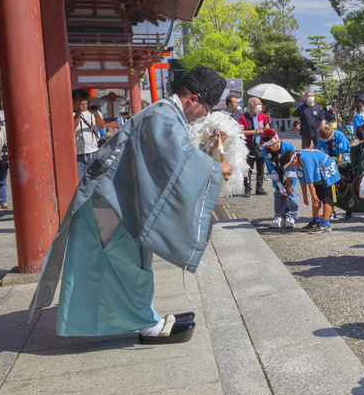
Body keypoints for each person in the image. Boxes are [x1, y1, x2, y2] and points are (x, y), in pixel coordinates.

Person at [29, 66, 231, 344]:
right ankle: (147, 324)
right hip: (110, 199)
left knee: (127, 260)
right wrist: (216, 168)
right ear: (193, 99)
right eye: (206, 107)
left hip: (117, 194)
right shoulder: (164, 116)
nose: (205, 114)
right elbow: (178, 162)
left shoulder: (164, 112)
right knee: (127, 263)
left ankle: (146, 315)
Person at [279, 148, 341, 235]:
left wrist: (313, 195)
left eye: (291, 166)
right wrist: (305, 195)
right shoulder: (298, 161)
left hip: (328, 170)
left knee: (327, 198)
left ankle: (325, 224)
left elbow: (310, 180)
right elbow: (302, 179)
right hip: (318, 171)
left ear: (295, 159)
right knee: (317, 198)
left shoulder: (306, 159)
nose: (292, 168)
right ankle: (315, 222)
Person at [259, 129, 300, 229]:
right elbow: (270, 168)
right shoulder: (265, 151)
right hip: (277, 170)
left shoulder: (287, 146)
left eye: (278, 142)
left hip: (289, 169)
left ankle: (291, 216)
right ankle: (279, 216)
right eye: (275, 144)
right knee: (278, 192)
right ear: (268, 146)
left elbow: (291, 165)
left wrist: (288, 181)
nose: (278, 145)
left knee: (291, 191)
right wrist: (279, 184)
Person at [239, 97, 269, 197]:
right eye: (257, 104)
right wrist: (255, 131)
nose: (259, 106)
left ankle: (259, 188)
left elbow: (267, 127)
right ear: (250, 106)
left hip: (260, 145)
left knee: (261, 168)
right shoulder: (243, 117)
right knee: (248, 168)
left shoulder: (263, 116)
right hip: (248, 146)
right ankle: (247, 189)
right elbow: (241, 132)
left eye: (260, 104)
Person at [72, 88, 102, 180]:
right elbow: (72, 126)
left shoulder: (94, 112)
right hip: (79, 156)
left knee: (95, 181)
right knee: (80, 182)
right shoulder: (71, 114)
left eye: (84, 99)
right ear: (73, 101)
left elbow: (101, 125)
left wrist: (96, 113)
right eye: (79, 99)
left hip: (94, 153)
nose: (82, 102)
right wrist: (79, 112)